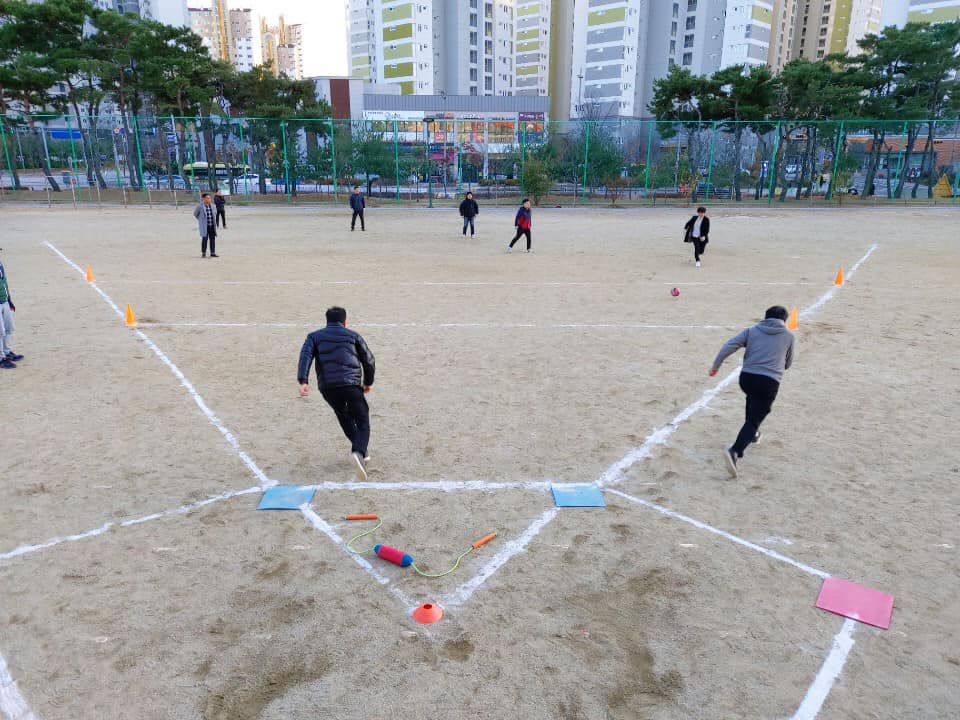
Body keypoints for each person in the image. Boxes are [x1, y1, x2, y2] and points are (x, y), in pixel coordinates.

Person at [709, 306, 795, 479]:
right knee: (755, 418)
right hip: (769, 381)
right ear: (784, 320)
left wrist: (715, 366)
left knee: (752, 398)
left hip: (747, 378)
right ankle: (735, 451)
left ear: (765, 317)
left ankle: (754, 435)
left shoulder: (752, 330)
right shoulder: (789, 336)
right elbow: (787, 364)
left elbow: (729, 346)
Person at [298, 306, 376, 481]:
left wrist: (303, 381)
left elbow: (305, 357)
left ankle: (361, 450)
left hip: (328, 386)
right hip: (351, 384)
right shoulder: (353, 336)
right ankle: (358, 451)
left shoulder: (314, 337)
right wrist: (368, 382)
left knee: (343, 415)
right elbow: (369, 360)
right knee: (362, 419)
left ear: (327, 321)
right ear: (344, 322)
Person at [0, 247, 22, 370]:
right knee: (0, 332)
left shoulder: (0, 265)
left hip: (5, 301)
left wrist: (9, 299)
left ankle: (6, 352)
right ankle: (1, 358)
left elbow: (4, 283)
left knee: (9, 328)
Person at [193, 193, 218, 258]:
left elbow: (215, 213)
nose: (209, 199)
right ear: (203, 199)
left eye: (209, 198)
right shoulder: (200, 206)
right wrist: (201, 220)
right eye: (207, 198)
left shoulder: (213, 206)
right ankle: (203, 253)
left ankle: (212, 253)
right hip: (205, 226)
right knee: (205, 239)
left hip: (212, 225)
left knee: (212, 239)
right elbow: (195, 214)